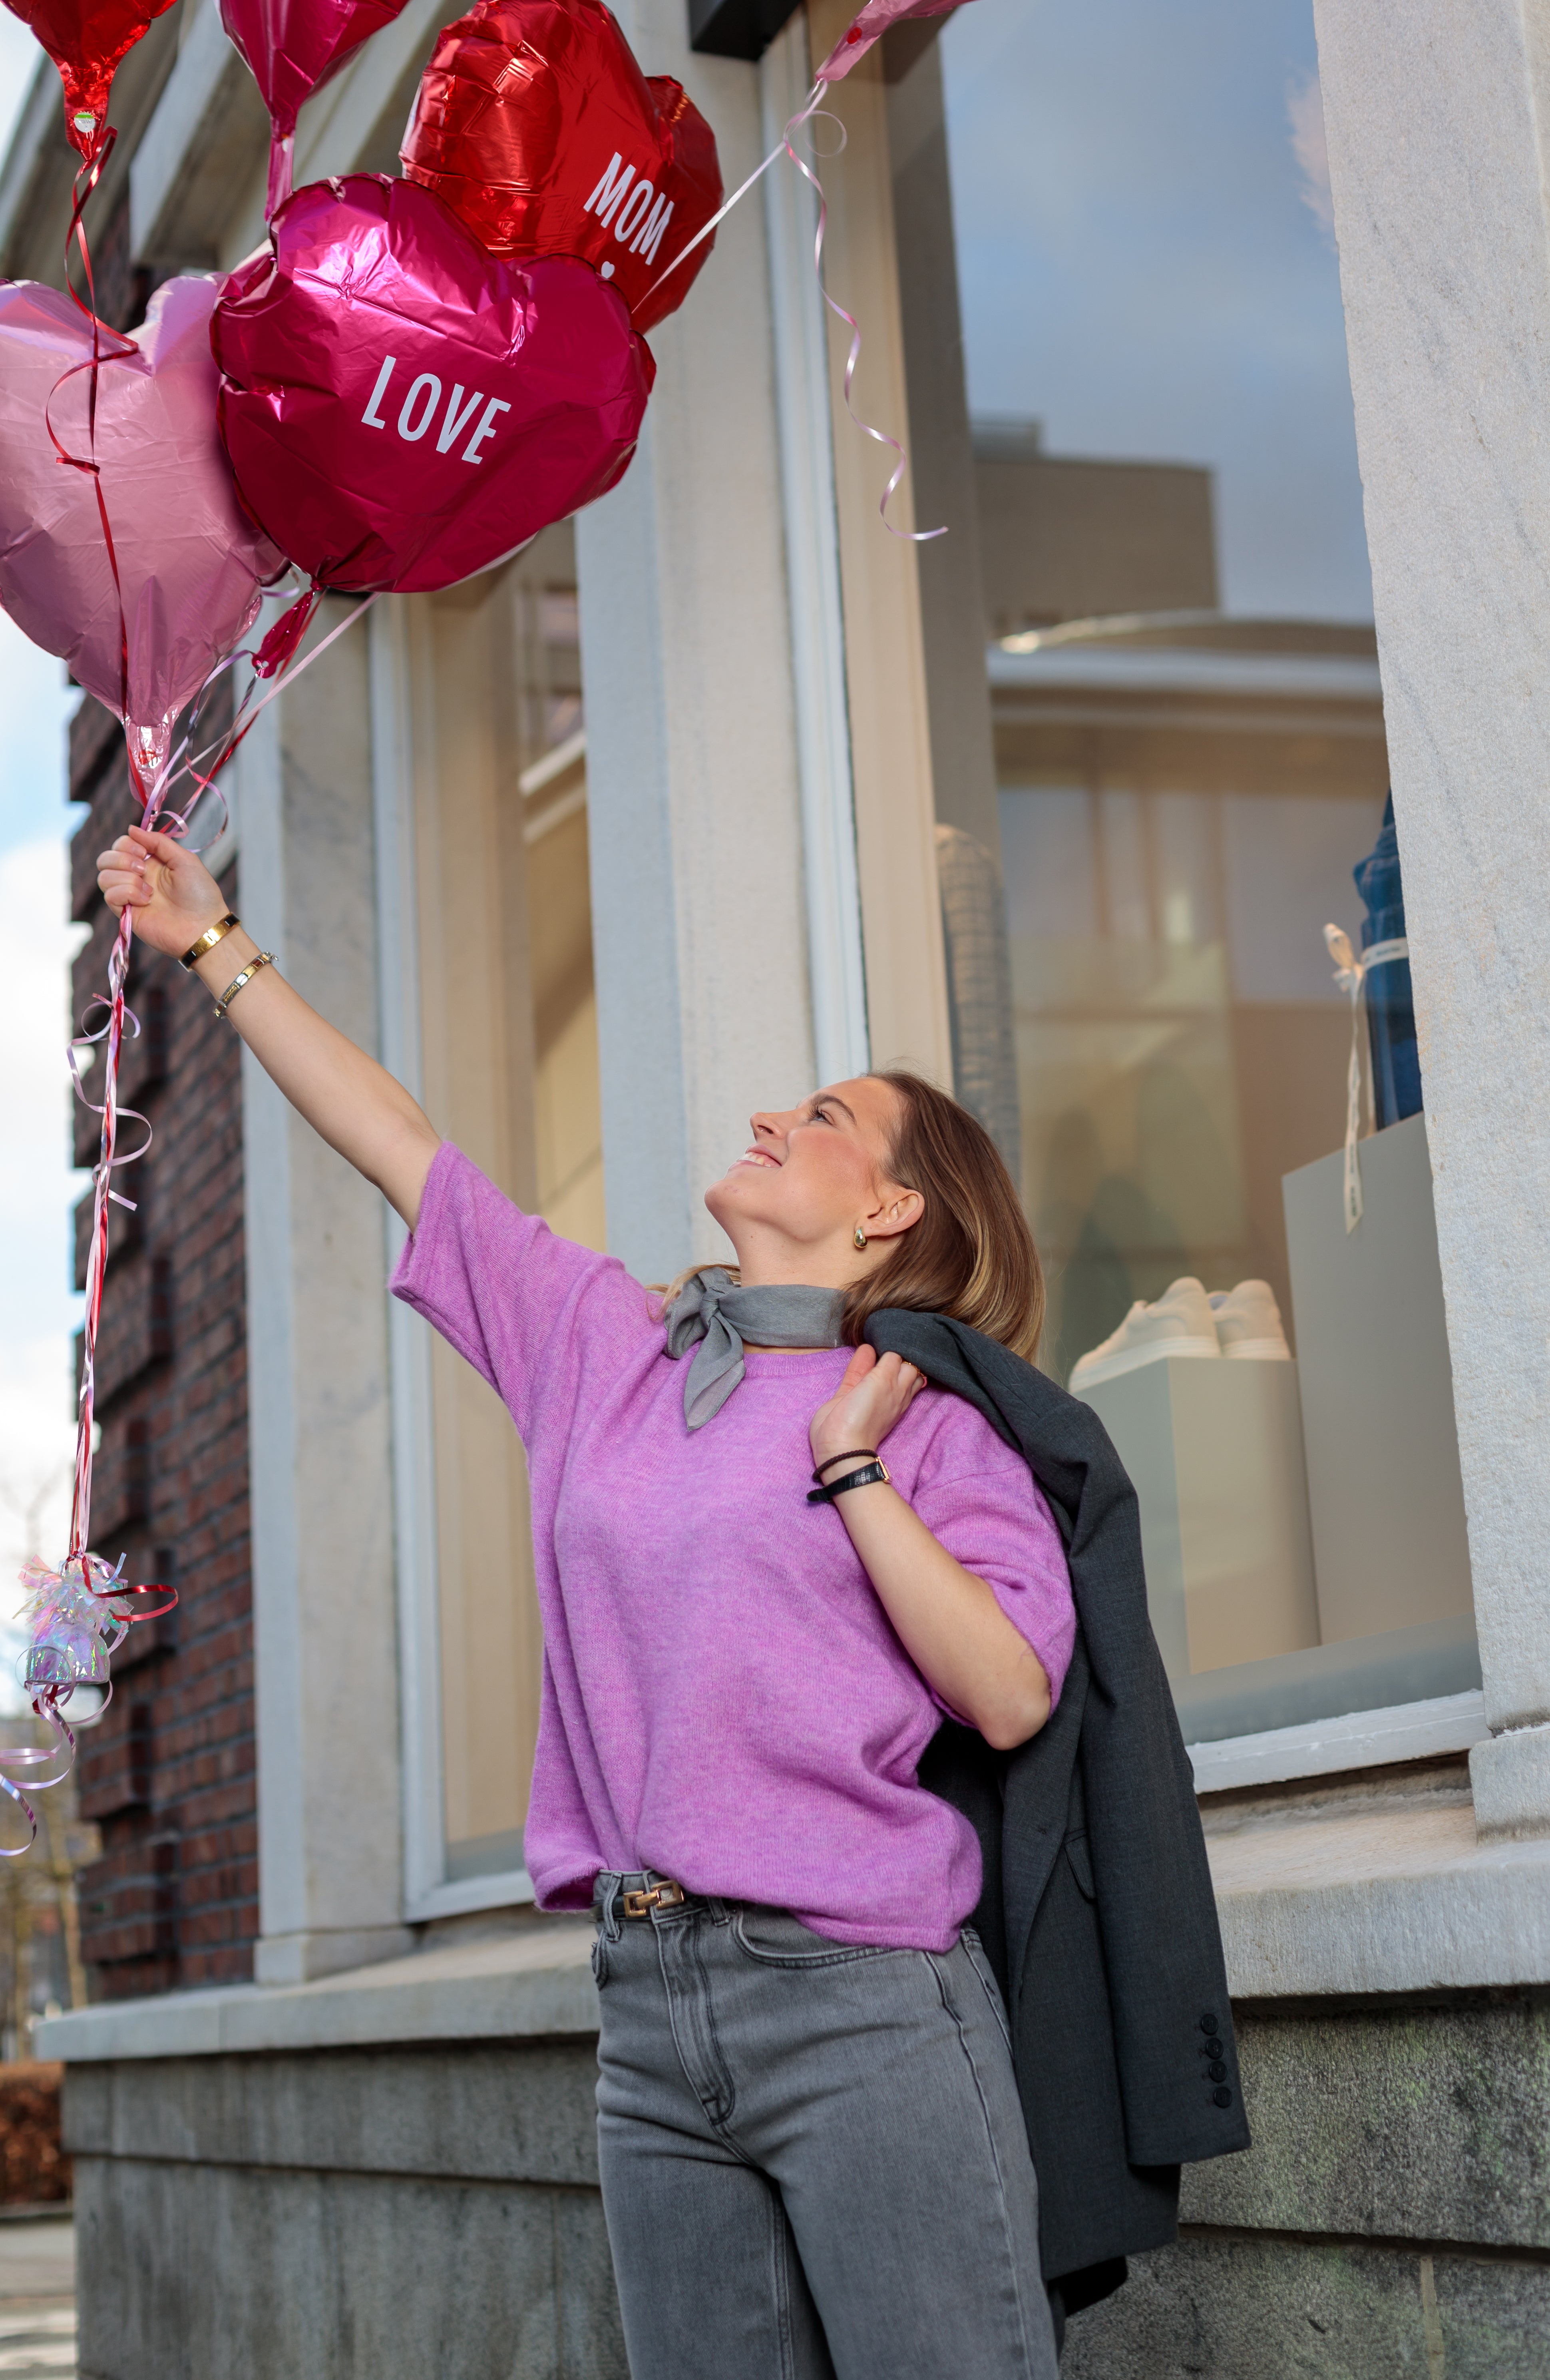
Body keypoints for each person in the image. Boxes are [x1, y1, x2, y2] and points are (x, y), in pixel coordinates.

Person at [99, 819, 1080, 2380]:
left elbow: (1012, 1690)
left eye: (820, 1116)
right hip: (645, 2004)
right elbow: (407, 1150)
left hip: (862, 2004)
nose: (770, 1114)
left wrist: (852, 1473)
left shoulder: (928, 1416)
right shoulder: (608, 1349)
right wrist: (218, 946)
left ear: (889, 1210)